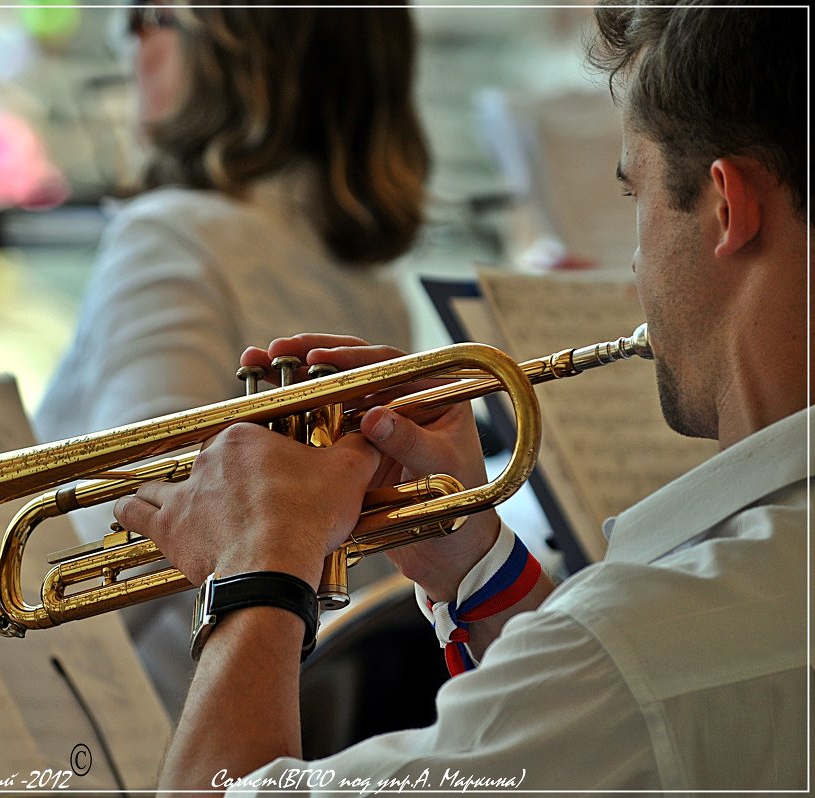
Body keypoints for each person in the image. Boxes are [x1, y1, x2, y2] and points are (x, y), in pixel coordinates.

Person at [112, 1, 811, 791]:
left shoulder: (635, 656)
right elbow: (633, 732)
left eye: (633, 198)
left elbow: (631, 688)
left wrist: (254, 577)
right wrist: (476, 565)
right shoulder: (684, 634)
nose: (636, 274)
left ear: (727, 206)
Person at [34, 2, 429, 715]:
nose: (129, 43)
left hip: (161, 726)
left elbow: (115, 547)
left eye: (151, 16)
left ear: (242, 48)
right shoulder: (373, 285)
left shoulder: (170, 236)